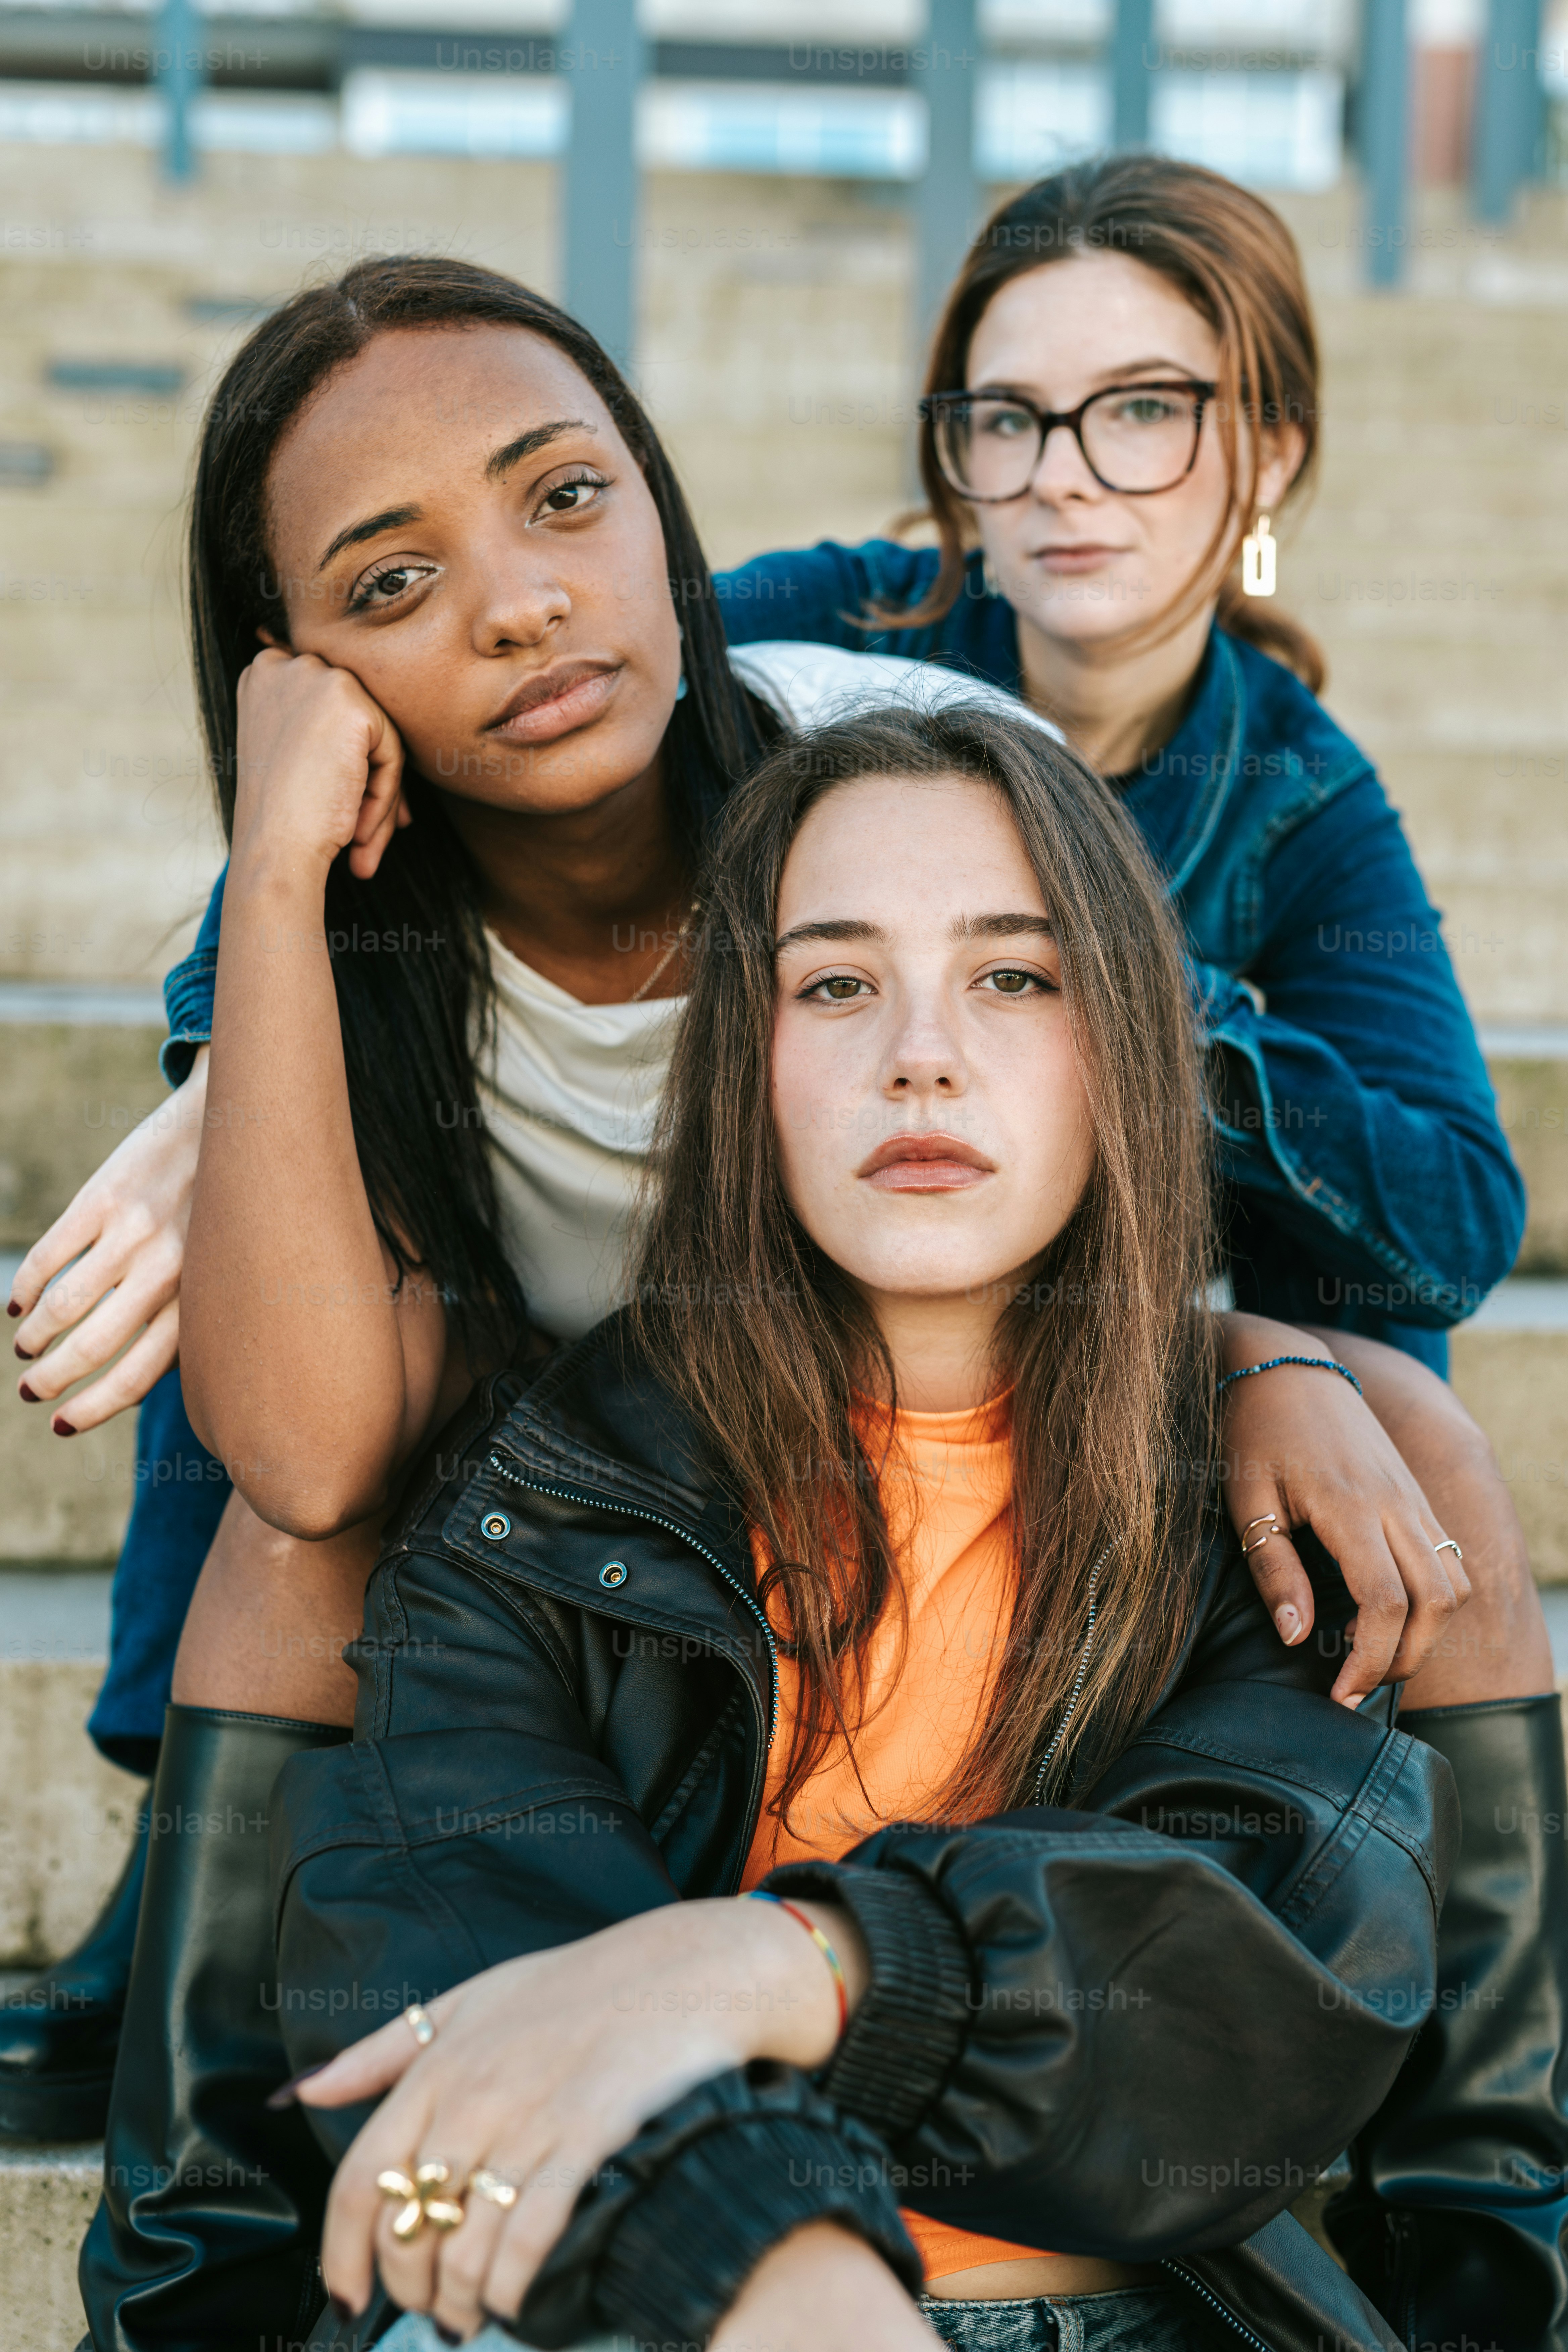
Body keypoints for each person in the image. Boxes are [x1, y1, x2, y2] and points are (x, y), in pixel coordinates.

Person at [11, 250, 1554, 2345]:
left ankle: (1490, 2261)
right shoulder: (360, 927)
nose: (523, 600)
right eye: (390, 585)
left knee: (1402, 1457)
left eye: (566, 501)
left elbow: (1293, 1206)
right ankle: (191, 2198)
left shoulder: (891, 786)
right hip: (581, 1483)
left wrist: (1245, 1347)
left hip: (944, 1420)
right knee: (313, 1556)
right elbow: (307, 1463)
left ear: (663, 502)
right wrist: (255, 958)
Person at [193, 699, 1467, 2352]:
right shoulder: (544, 1496)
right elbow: (457, 1952)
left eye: (1014, 977)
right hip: (676, 2297)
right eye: (837, 982)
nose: (918, 1053)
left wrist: (791, 1966)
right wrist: (781, 2270)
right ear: (750, 1060)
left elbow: (1253, 1998)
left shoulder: (1263, 1508)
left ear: (1123, 1056)